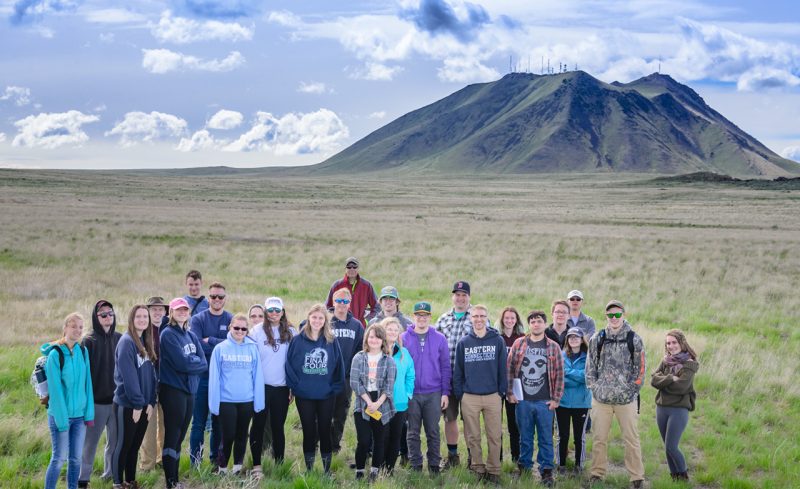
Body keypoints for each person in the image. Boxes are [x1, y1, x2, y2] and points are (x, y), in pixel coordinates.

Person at [586, 300, 645, 488]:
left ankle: (636, 477)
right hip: (601, 400)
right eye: (610, 315)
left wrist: (631, 390)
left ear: (623, 315)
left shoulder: (634, 339)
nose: (614, 318)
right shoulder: (598, 338)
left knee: (631, 439)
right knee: (598, 439)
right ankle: (597, 474)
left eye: (617, 314)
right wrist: (595, 388)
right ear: (606, 317)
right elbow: (590, 367)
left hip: (626, 401)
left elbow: (641, 369)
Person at [506, 310, 564, 487]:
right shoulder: (519, 343)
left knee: (546, 437)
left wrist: (556, 399)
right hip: (523, 400)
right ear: (529, 325)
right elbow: (509, 368)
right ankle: (524, 466)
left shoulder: (553, 347)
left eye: (539, 321)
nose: (536, 324)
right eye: (532, 321)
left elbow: (560, 374)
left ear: (544, 324)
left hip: (545, 401)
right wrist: (510, 393)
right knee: (525, 436)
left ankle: (546, 470)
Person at [285, 304, 345, 474]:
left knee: (325, 429)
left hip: (326, 394)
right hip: (304, 395)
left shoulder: (331, 340)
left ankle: (327, 471)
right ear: (309, 318)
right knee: (308, 430)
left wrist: (334, 387)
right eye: (314, 317)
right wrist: (295, 386)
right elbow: (289, 365)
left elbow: (339, 365)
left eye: (321, 318)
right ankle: (309, 469)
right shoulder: (297, 340)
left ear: (325, 320)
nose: (317, 321)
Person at [453, 305, 507, 485]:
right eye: (475, 316)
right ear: (470, 318)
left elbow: (502, 369)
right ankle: (477, 468)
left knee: (494, 435)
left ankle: (494, 471)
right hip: (470, 397)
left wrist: (501, 392)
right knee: (473, 436)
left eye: (482, 316)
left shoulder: (497, 340)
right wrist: (461, 395)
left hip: (492, 395)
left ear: (487, 318)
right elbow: (458, 371)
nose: (478, 319)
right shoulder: (464, 342)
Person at [159, 297, 208, 489]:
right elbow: (182, 363)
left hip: (189, 392)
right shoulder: (168, 334)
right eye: (178, 309)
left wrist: (192, 363)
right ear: (171, 312)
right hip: (173, 390)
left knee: (180, 436)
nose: (182, 312)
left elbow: (203, 363)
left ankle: (176, 480)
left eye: (185, 309)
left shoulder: (190, 335)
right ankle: (170, 482)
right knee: (172, 435)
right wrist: (192, 363)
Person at [42, 313, 94, 489]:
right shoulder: (55, 354)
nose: (78, 330)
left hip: (79, 417)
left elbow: (88, 384)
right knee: (59, 459)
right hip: (60, 416)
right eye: (73, 326)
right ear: (65, 328)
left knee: (76, 459)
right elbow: (55, 391)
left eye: (80, 327)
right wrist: (63, 421)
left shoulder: (83, 351)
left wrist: (88, 413)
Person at [208, 313, 265, 475]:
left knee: (242, 435)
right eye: (236, 328)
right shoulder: (220, 349)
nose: (240, 331)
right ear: (230, 328)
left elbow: (257, 376)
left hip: (247, 400)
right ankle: (222, 468)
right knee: (228, 435)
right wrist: (214, 404)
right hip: (226, 401)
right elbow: (214, 378)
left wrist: (258, 402)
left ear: (247, 330)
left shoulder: (252, 348)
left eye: (243, 329)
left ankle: (237, 468)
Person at [111, 305, 158, 489]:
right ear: (132, 319)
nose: (142, 319)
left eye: (145, 316)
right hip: (128, 404)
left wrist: (151, 401)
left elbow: (152, 376)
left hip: (144, 405)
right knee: (123, 445)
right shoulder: (127, 342)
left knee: (135, 446)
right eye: (138, 316)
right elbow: (129, 377)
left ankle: (130, 481)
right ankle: (117, 483)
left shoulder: (145, 341)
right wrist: (138, 404)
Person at [249, 297, 297, 474]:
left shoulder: (291, 332)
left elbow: (294, 361)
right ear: (265, 311)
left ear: (283, 311)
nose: (274, 313)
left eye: (277, 310)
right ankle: (256, 465)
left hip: (282, 388)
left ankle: (279, 464)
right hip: (261, 387)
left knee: (278, 427)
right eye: (270, 310)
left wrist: (292, 387)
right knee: (258, 426)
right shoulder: (256, 331)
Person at [402, 301, 450, 475]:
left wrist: (445, 393)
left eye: (425, 315)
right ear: (413, 317)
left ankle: (434, 465)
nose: (422, 318)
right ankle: (415, 465)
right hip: (412, 393)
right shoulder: (404, 338)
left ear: (430, 317)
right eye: (418, 315)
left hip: (433, 393)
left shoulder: (440, 338)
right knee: (412, 432)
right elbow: (400, 367)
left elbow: (445, 367)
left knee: (433, 431)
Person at [188, 282, 233, 466]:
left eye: (220, 297)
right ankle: (195, 462)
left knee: (218, 424)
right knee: (198, 423)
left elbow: (233, 343)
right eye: (213, 296)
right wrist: (221, 344)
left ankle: (215, 461)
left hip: (222, 379)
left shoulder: (230, 319)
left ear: (225, 299)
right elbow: (197, 345)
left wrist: (212, 340)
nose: (216, 300)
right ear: (208, 298)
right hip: (202, 378)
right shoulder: (198, 319)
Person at [79, 300, 122, 488]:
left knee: (114, 442)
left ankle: (109, 474)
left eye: (110, 314)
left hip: (116, 402)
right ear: (96, 318)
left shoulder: (120, 338)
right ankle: (83, 479)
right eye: (103, 314)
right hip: (95, 403)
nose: (107, 317)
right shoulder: (88, 341)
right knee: (90, 444)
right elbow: (82, 375)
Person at [434, 280, 474, 468]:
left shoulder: (477, 317)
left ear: (469, 297)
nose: (460, 298)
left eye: (464, 295)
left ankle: (472, 456)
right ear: (453, 297)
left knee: (469, 420)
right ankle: (452, 456)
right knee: (450, 418)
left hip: (469, 381)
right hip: (447, 379)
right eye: (457, 295)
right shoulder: (443, 319)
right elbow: (435, 349)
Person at [350, 324, 397, 481]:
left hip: (381, 402)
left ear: (383, 340)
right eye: (371, 337)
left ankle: (375, 471)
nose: (374, 340)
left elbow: (389, 386)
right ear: (366, 339)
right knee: (363, 440)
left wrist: (377, 403)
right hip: (363, 400)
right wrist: (369, 401)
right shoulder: (359, 357)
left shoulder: (389, 361)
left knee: (379, 439)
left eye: (377, 337)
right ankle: (360, 470)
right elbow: (355, 382)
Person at [650, 329, 699, 482]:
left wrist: (663, 382)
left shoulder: (689, 364)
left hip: (678, 410)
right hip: (661, 408)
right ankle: (674, 478)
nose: (671, 346)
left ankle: (684, 477)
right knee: (667, 447)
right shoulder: (666, 360)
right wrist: (671, 378)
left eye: (674, 342)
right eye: (668, 343)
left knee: (672, 446)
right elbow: (653, 380)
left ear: (682, 343)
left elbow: (682, 387)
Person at [329, 288, 365, 454]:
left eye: (345, 301)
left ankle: (334, 446)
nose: (342, 304)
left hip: (346, 377)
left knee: (341, 412)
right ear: (333, 302)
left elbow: (361, 350)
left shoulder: (356, 325)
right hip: (326, 376)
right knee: (322, 412)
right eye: (339, 301)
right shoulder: (326, 321)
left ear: (349, 303)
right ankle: (317, 444)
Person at [381, 317, 415, 474]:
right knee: (382, 437)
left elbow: (410, 375)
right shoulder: (376, 351)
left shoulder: (403, 353)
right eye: (389, 329)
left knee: (395, 437)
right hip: (380, 403)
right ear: (383, 331)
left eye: (396, 330)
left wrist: (408, 393)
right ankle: (378, 467)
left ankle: (389, 469)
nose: (393, 332)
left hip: (400, 402)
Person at [555, 328, 591, 474]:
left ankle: (579, 465)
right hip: (562, 402)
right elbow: (558, 377)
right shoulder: (561, 355)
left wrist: (567, 373)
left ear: (582, 339)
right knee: (562, 435)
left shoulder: (589, 356)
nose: (573, 339)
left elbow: (587, 377)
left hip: (581, 403)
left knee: (579, 436)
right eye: (570, 337)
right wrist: (577, 377)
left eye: (577, 337)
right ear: (567, 340)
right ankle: (561, 464)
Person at [139, 297, 167, 472]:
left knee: (165, 425)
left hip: (166, 385)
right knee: (148, 427)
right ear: (148, 311)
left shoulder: (169, 329)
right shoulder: (143, 331)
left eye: (160, 309)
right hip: (147, 386)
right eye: (154, 309)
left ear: (165, 312)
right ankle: (146, 465)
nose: (157, 312)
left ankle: (161, 459)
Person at [498, 306, 525, 463]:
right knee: (496, 425)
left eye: (512, 318)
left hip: (514, 385)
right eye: (506, 318)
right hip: (498, 384)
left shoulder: (521, 338)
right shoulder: (497, 337)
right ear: (502, 320)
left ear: (516, 320)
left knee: (513, 424)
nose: (509, 320)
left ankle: (516, 457)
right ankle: (498, 457)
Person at [326, 257, 380, 326]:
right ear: (345, 269)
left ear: (358, 269)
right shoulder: (337, 285)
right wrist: (335, 320)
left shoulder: (367, 285)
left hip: (361, 327)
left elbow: (377, 306)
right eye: (349, 267)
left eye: (354, 267)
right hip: (341, 327)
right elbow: (328, 307)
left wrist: (367, 321)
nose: (352, 269)